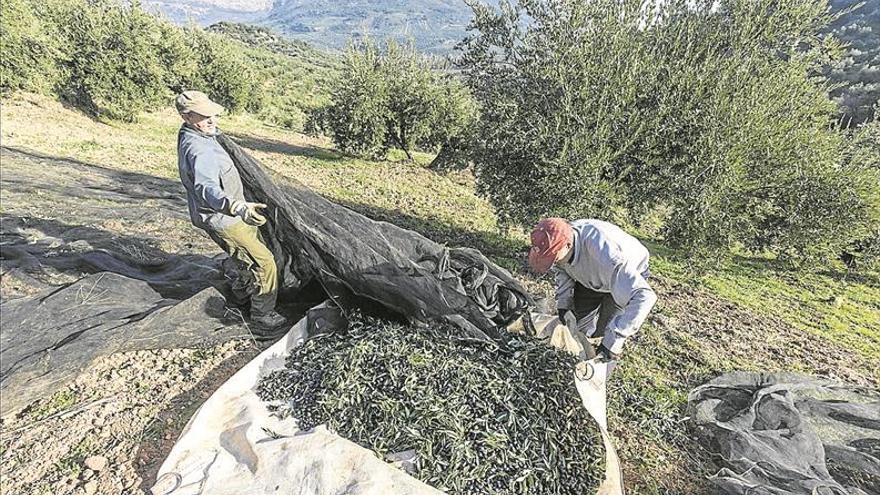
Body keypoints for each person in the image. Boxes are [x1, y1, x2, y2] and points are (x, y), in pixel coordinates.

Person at [175, 90, 287, 329]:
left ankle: (242, 295)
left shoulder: (198, 135)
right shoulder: (199, 149)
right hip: (225, 218)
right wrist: (234, 205)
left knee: (244, 258)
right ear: (186, 116)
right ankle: (263, 316)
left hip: (228, 215)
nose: (212, 120)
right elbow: (205, 187)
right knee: (265, 262)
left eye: (212, 114)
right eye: (204, 116)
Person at [528, 218, 656, 360]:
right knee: (576, 327)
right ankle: (579, 358)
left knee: (606, 332)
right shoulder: (558, 241)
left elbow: (644, 296)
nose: (553, 261)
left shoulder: (607, 256)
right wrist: (564, 303)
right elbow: (561, 269)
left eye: (553, 257)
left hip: (621, 279)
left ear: (568, 245)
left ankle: (597, 368)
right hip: (589, 276)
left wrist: (613, 342)